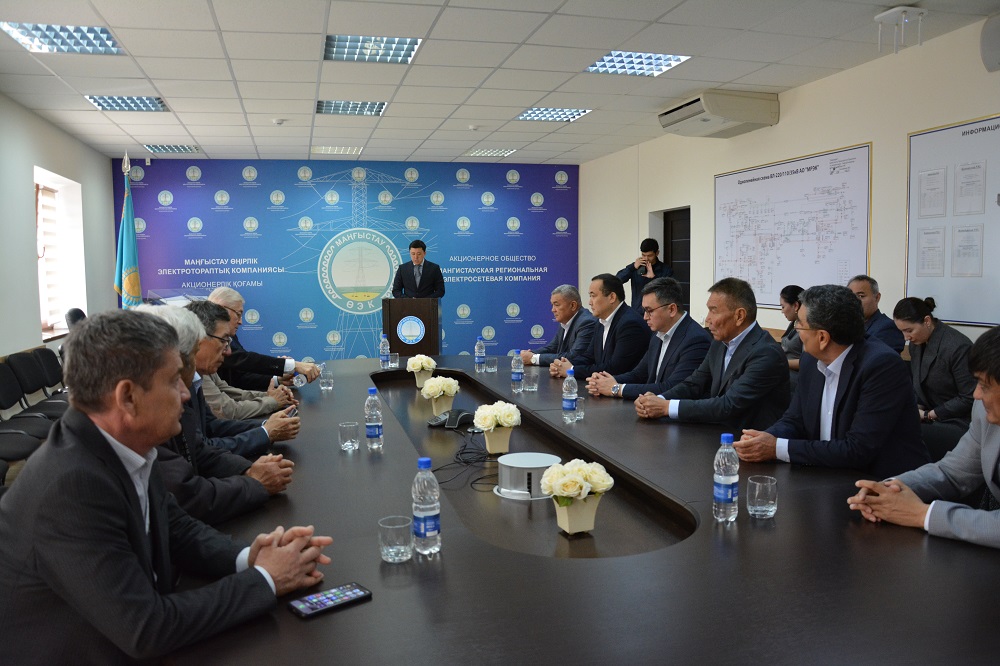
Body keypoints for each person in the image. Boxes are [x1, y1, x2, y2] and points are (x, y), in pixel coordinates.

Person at [0, 310, 332, 662]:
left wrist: (249, 557)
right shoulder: (71, 487)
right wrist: (267, 577)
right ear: (128, 397)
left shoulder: (119, 444)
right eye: (174, 381)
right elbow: (147, 628)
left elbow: (176, 528)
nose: (186, 394)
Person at [735, 285, 928, 478]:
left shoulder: (881, 366)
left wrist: (776, 448)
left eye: (799, 324)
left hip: (882, 483)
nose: (796, 330)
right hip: (827, 475)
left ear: (822, 337)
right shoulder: (811, 360)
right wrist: (764, 438)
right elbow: (795, 420)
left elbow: (858, 449)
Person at [136, 304, 294, 525]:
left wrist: (249, 468)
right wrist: (254, 479)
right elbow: (188, 496)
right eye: (223, 341)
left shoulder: (185, 385)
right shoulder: (144, 425)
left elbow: (201, 445)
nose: (228, 352)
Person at [847, 325, 1000, 549]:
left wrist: (922, 514)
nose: (976, 394)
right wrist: (890, 488)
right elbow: (952, 473)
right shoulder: (983, 412)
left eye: (984, 386)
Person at [634, 277, 789, 431]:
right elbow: (694, 383)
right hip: (717, 432)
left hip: (749, 439)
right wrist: (656, 400)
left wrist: (666, 407)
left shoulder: (766, 353)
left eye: (713, 311)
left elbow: (727, 405)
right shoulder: (719, 343)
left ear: (739, 316)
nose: (708, 319)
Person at [187, 300, 301, 459]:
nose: (228, 352)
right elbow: (202, 451)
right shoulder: (185, 382)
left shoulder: (198, 374)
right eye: (223, 341)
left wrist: (266, 425)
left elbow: (212, 425)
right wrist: (266, 430)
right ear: (198, 340)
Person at [587, 277, 711, 400]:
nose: (645, 317)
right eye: (644, 311)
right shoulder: (658, 334)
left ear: (672, 309)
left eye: (649, 310)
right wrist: (603, 381)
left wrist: (616, 388)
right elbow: (639, 374)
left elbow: (672, 388)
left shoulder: (696, 340)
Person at [893, 296, 976, 461]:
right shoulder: (917, 344)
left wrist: (928, 415)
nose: (906, 337)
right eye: (902, 332)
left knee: (905, 433)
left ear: (927, 321)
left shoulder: (958, 346)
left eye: (909, 330)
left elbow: (969, 397)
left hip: (958, 421)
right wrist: (914, 409)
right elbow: (919, 386)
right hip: (930, 416)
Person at [209, 287, 321, 391]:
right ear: (221, 308)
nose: (241, 322)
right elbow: (244, 359)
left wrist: (277, 380)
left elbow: (239, 377)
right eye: (238, 314)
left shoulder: (230, 335)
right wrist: (292, 365)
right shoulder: (208, 335)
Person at [549, 274, 647, 381]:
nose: (590, 302)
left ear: (612, 297)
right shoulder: (601, 321)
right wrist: (561, 366)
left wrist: (571, 370)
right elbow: (589, 357)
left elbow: (615, 368)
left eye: (593, 296)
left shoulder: (630, 324)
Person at [519, 284, 597, 368]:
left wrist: (534, 358)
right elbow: (552, 348)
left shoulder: (587, 322)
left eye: (556, 305)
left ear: (573, 305)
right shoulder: (565, 321)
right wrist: (530, 353)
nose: (553, 310)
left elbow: (574, 357)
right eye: (552, 305)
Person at [616, 238, 673, 319]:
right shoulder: (636, 267)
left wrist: (654, 278)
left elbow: (670, 292)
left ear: (657, 253)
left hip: (656, 314)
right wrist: (632, 267)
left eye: (649, 256)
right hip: (637, 313)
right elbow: (617, 280)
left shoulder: (665, 270)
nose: (646, 258)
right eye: (643, 255)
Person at [847, 274, 904, 354]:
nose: (855, 301)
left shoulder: (888, 327)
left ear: (877, 297)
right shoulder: (848, 326)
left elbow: (878, 359)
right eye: (851, 296)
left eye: (861, 296)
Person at [779, 284, 804, 392]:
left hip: (796, 377)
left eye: (783, 307)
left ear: (796, 306)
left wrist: (781, 362)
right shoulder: (794, 323)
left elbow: (807, 362)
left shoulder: (805, 329)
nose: (782, 311)